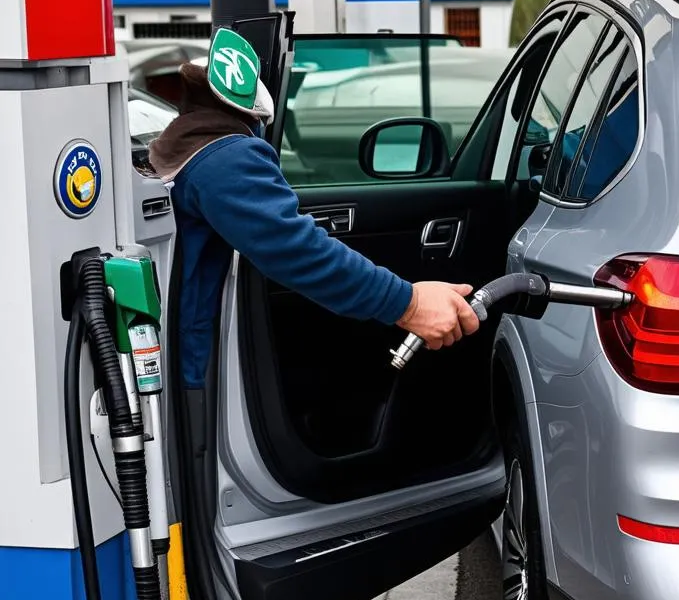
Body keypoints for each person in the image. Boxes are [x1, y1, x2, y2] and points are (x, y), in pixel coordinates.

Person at [147, 27, 480, 390]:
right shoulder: (228, 157)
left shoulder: (183, 146)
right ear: (253, 119)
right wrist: (408, 303)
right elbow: (295, 247)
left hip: (178, 357)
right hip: (186, 372)